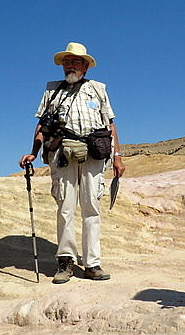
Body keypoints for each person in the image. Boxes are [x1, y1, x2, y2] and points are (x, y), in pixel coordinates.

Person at [18, 42, 125, 284]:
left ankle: (92, 263)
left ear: (86, 66)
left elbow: (110, 124)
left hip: (94, 153)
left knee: (91, 208)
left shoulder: (98, 89)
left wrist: (117, 156)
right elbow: (42, 124)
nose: (70, 66)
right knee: (65, 208)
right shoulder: (52, 90)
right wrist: (33, 152)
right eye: (67, 62)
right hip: (61, 153)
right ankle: (65, 261)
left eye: (76, 61)